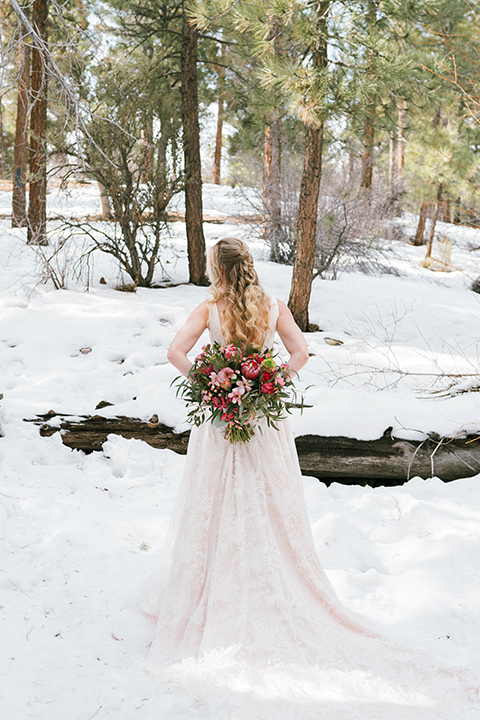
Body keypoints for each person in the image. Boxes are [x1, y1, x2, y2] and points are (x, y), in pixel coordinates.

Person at [140, 237, 478, 720]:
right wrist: (267, 383)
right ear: (250, 265)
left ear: (217, 268)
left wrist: (214, 384)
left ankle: (209, 583)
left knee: (212, 498)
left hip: (221, 421)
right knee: (269, 499)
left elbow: (176, 352)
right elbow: (300, 353)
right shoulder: (273, 306)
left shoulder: (208, 307)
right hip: (264, 421)